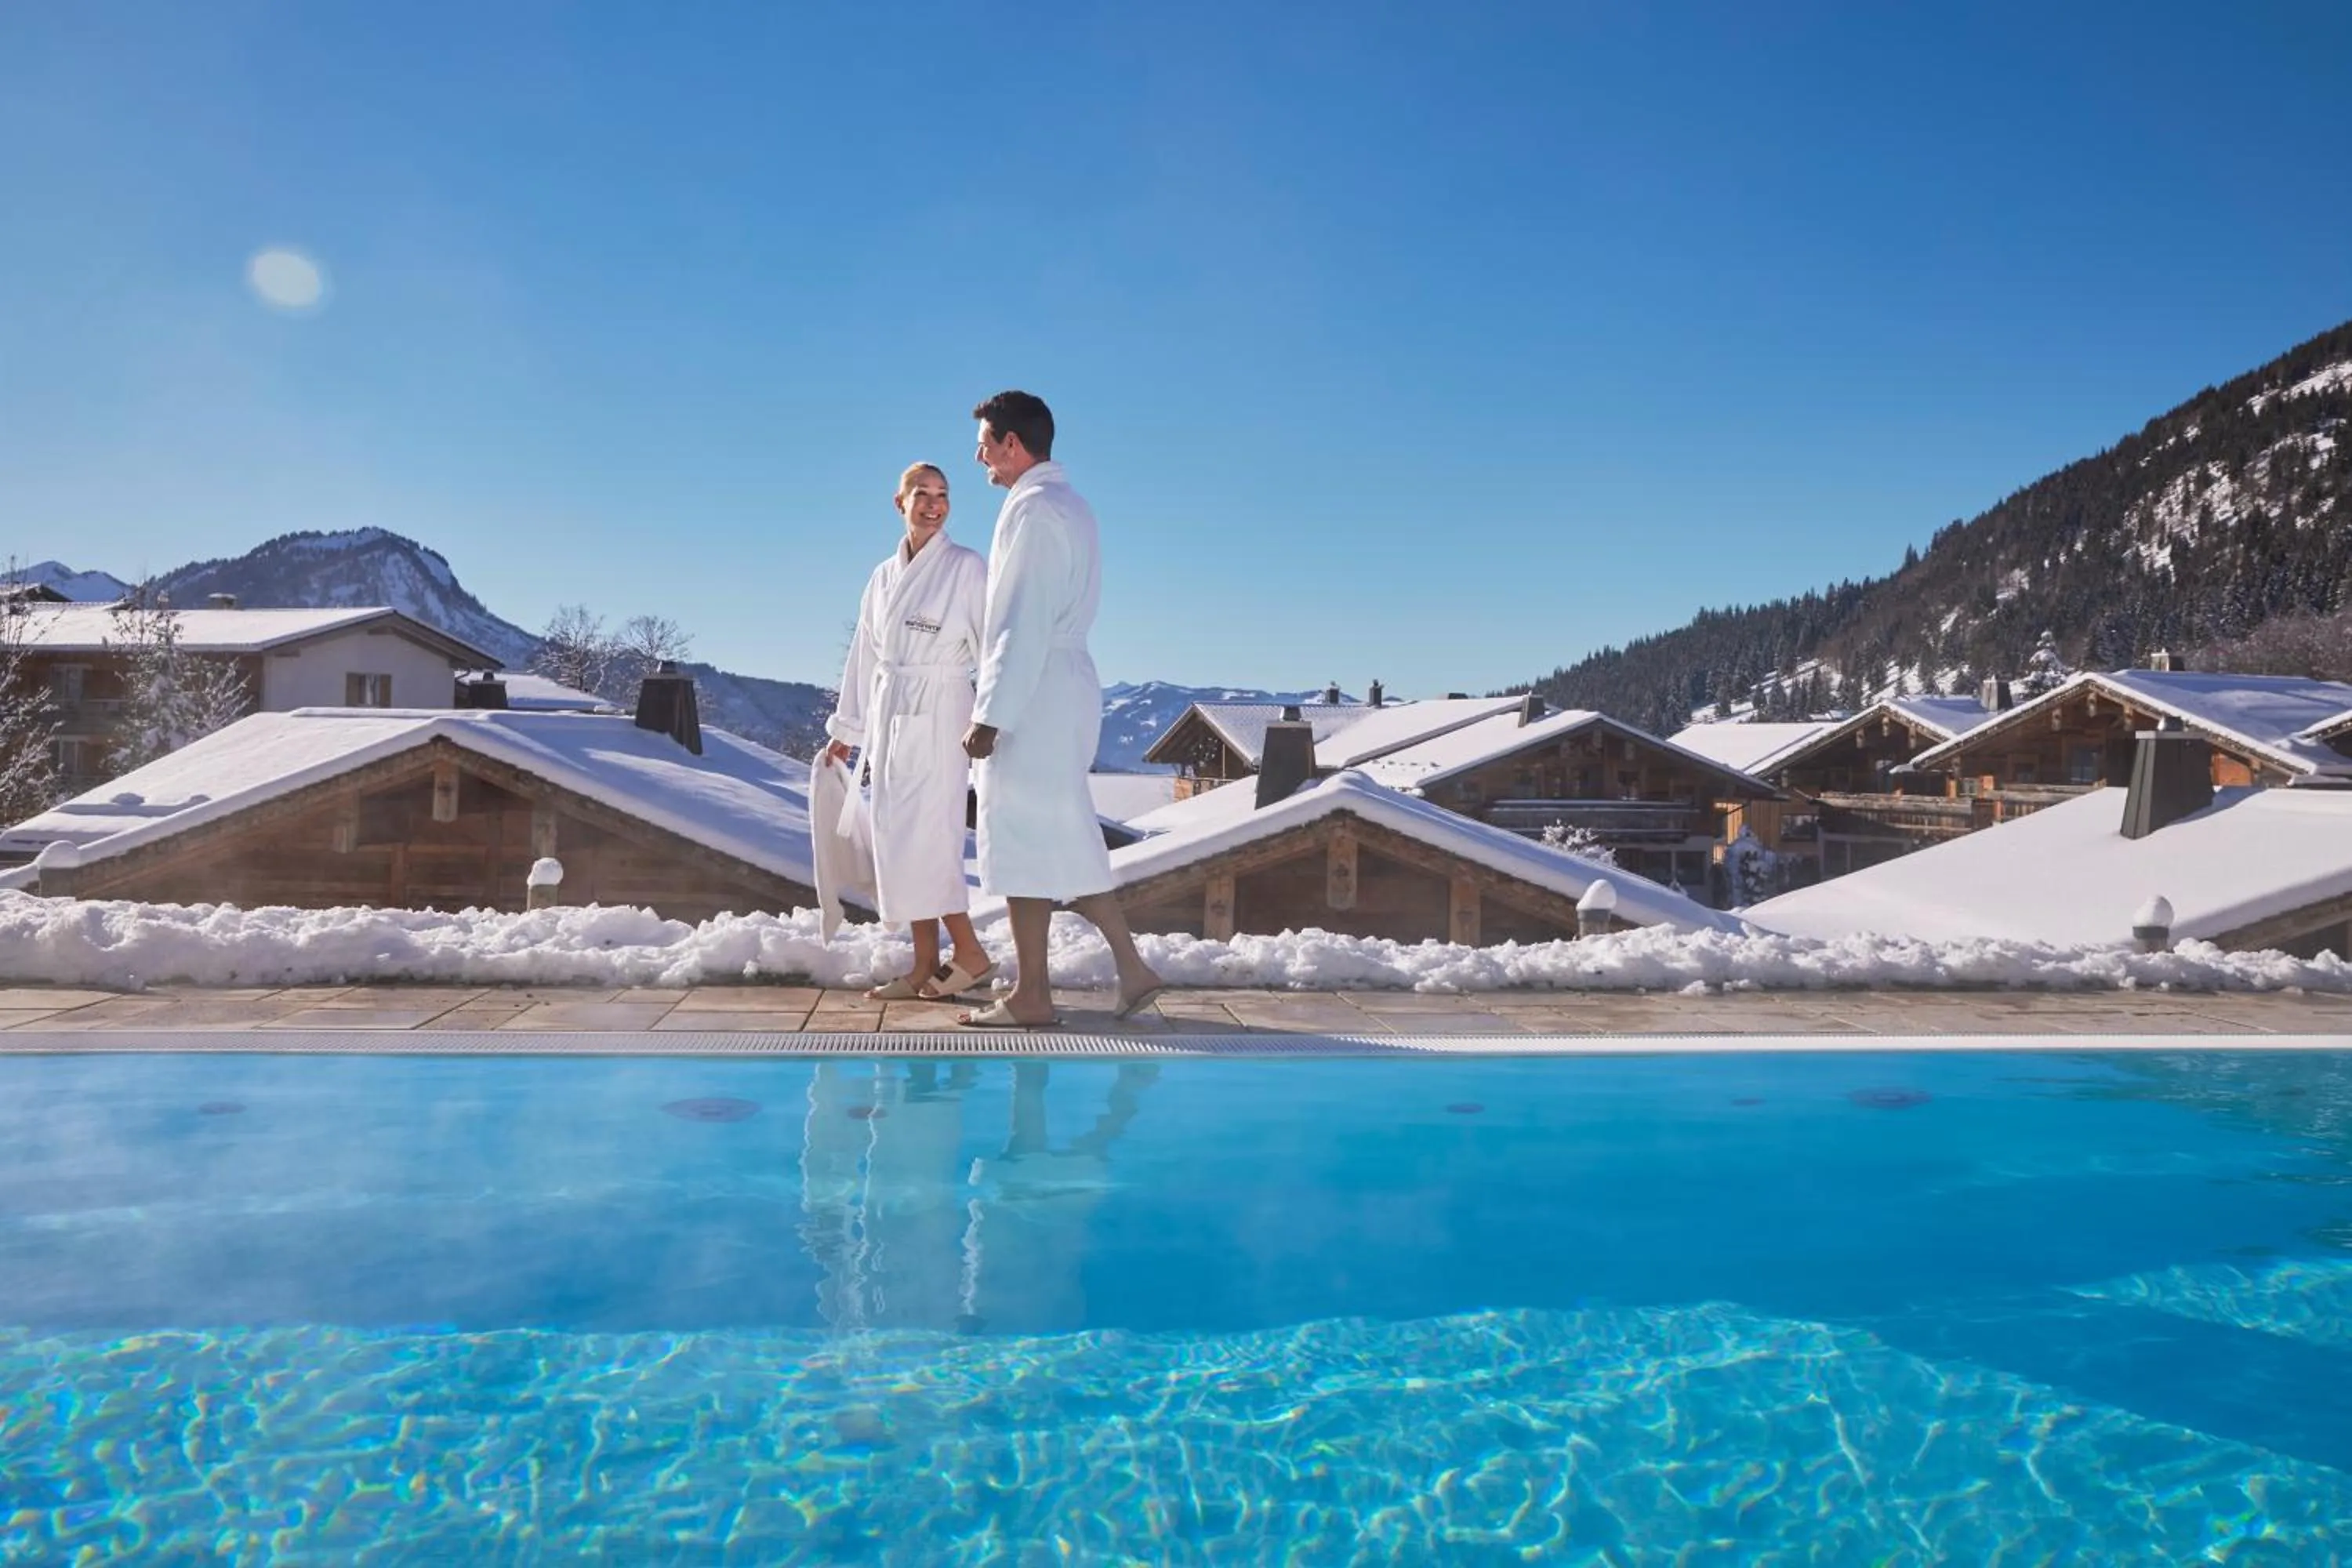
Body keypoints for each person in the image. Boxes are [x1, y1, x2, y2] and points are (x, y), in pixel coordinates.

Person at [958, 390, 1164, 1027]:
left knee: (1025, 836)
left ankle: (1034, 995)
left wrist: (990, 713)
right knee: (1061, 834)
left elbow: (1024, 618)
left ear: (1013, 445)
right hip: (1060, 684)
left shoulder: (1037, 513)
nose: (979, 456)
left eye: (986, 443)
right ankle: (1127, 974)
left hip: (1036, 689)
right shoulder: (1069, 506)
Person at [821, 462, 994, 1000]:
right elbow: (865, 655)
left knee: (932, 838)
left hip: (942, 712)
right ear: (900, 503)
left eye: (943, 495)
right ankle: (924, 963)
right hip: (892, 713)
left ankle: (969, 952)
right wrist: (847, 727)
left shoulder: (966, 567)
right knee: (898, 838)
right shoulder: (883, 576)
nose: (934, 505)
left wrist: (993, 716)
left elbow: (992, 647)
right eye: (922, 494)